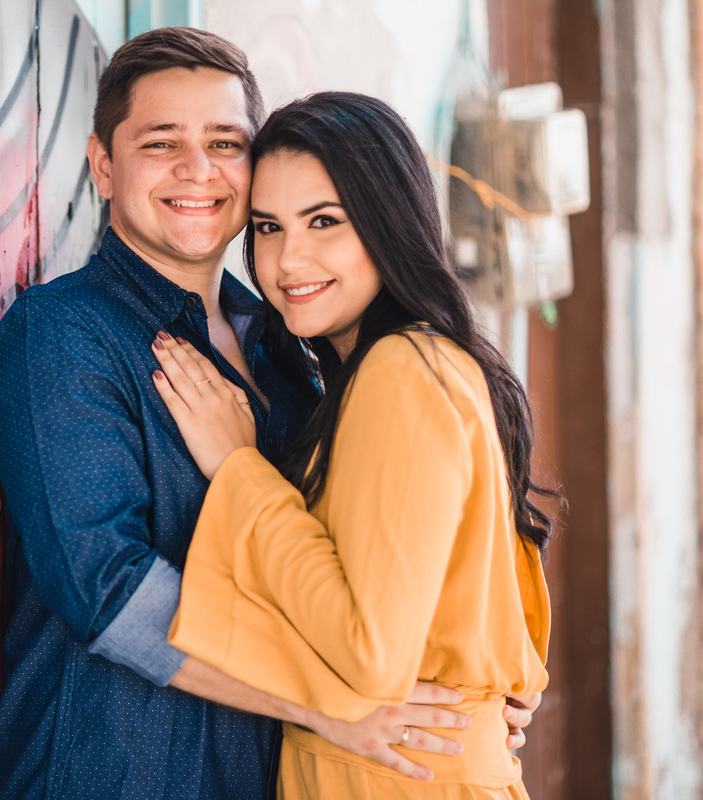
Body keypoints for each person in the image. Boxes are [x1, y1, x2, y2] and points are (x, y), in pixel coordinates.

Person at [0, 30, 539, 800]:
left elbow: (362, 562)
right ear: (104, 164)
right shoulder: (63, 337)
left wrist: (484, 676)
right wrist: (329, 703)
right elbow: (108, 592)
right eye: (161, 142)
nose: (196, 170)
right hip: (115, 774)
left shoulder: (291, 351)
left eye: (224, 142)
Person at [149, 92, 552, 798]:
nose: (286, 259)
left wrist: (239, 470)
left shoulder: (402, 372)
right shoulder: (413, 368)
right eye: (268, 226)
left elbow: (370, 656)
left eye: (324, 221)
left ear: (388, 222)